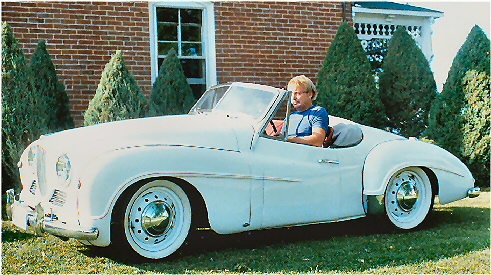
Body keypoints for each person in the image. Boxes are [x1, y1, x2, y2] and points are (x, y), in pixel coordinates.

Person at [284, 75, 329, 147]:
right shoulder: (290, 117)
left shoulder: (317, 112)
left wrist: (289, 139)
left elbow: (317, 140)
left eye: (297, 93)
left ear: (310, 94)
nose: (293, 98)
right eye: (291, 94)